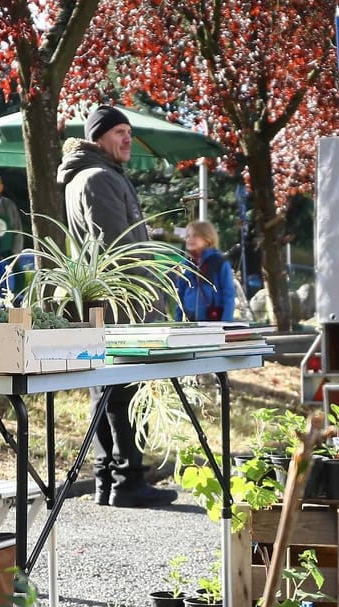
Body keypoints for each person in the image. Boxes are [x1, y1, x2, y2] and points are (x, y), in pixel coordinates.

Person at [58, 104, 175, 508]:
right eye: (119, 131)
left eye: (129, 131)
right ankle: (125, 480)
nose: (127, 138)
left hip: (110, 302)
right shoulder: (98, 178)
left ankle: (110, 480)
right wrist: (152, 291)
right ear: (97, 137)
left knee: (108, 390)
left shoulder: (96, 175)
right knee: (122, 391)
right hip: (123, 303)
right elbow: (119, 248)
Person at [174, 220, 240, 323]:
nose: (189, 239)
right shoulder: (186, 265)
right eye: (187, 236)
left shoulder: (218, 262)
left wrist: (226, 324)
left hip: (214, 323)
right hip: (191, 324)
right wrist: (177, 322)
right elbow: (180, 296)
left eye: (195, 236)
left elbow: (228, 294)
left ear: (207, 239)